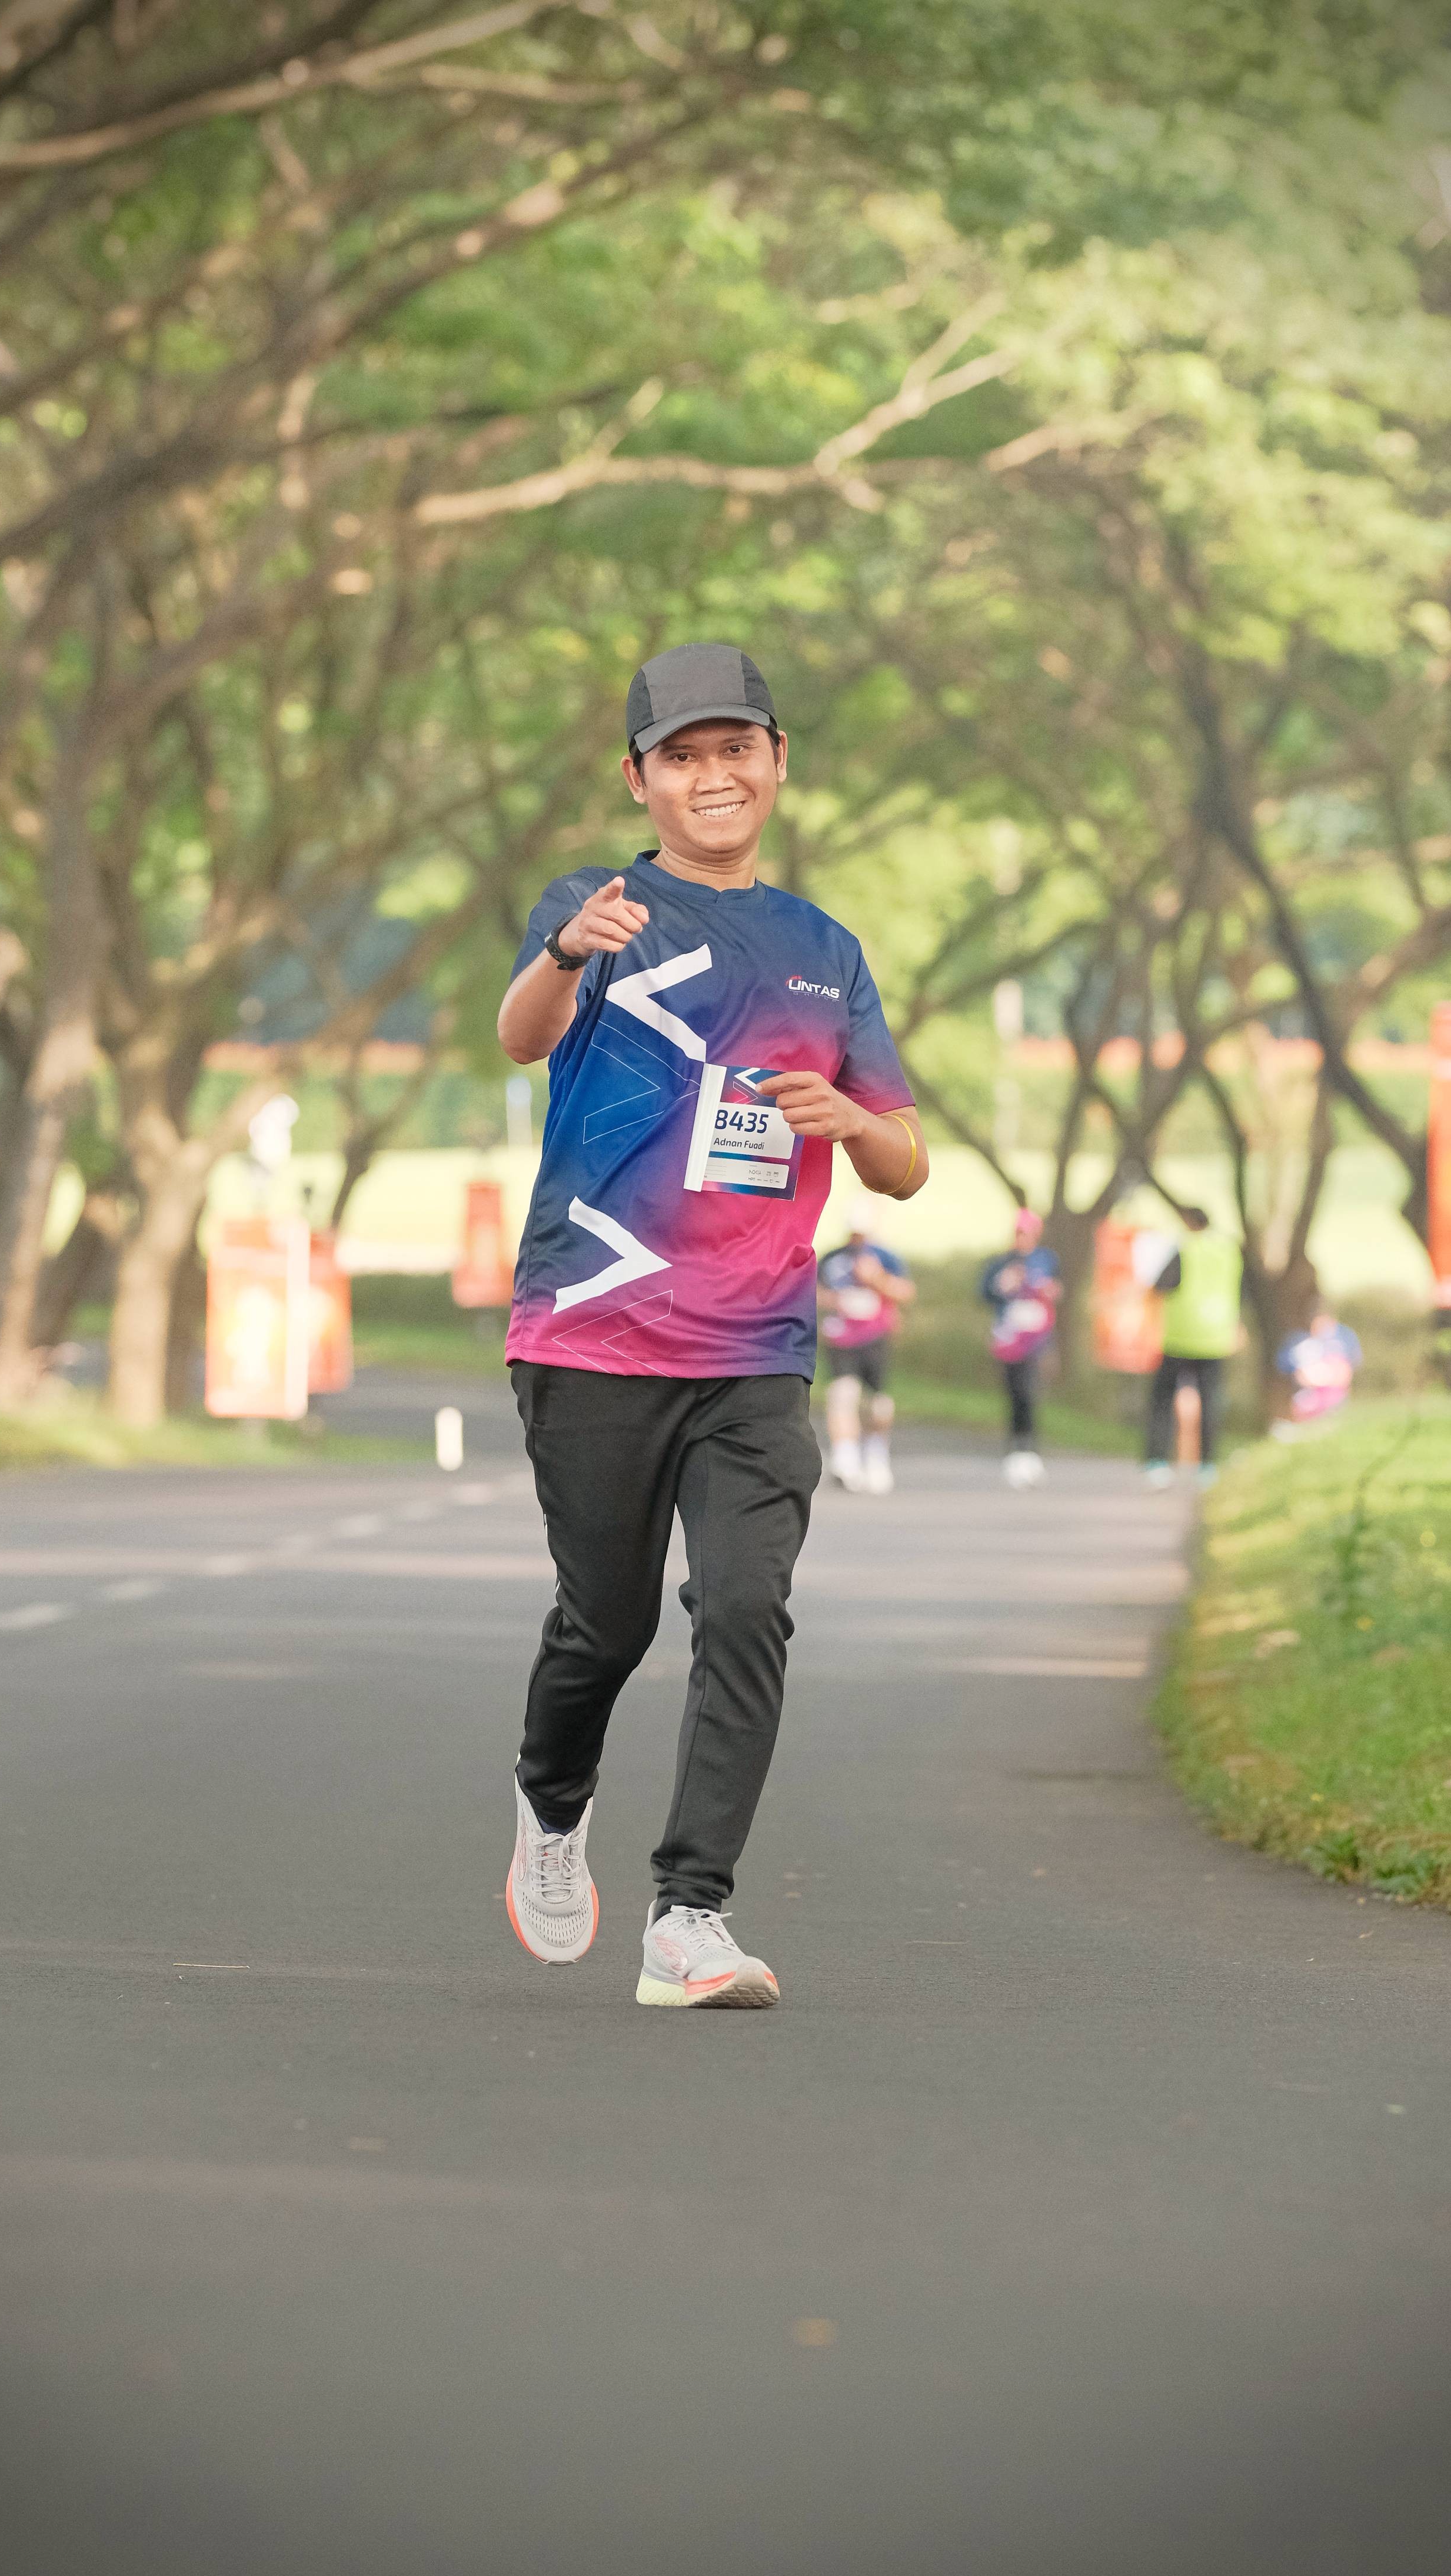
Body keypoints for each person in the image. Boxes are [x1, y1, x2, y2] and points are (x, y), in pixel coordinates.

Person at [495, 641, 927, 2010]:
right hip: (591, 1334)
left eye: (734, 747)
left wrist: (851, 1119)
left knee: (745, 1604)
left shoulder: (824, 952)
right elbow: (520, 1035)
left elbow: (904, 1160)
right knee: (605, 1622)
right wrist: (563, 952)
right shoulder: (600, 905)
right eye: (679, 756)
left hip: (753, 1350)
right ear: (640, 778)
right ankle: (550, 1799)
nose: (712, 775)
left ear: (777, 760)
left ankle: (689, 1914)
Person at [817, 1199, 915, 1494]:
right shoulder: (832, 1258)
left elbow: (905, 1293)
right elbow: (814, 1291)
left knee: (878, 1404)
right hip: (842, 1337)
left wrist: (876, 1279)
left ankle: (875, 1454)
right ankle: (845, 1459)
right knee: (842, 1394)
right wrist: (835, 1300)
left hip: (876, 1337)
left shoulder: (886, 1257)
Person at [1142, 1205, 1243, 1487]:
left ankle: (1157, 1462)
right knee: (1211, 1402)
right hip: (1217, 1337)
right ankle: (1207, 1465)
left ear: (1189, 1222)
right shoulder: (1230, 1251)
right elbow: (1239, 1290)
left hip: (1181, 1336)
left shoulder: (1186, 1249)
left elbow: (1161, 1286)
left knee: (1163, 1399)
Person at [979, 1208, 1061, 1487]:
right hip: (1009, 1340)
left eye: (1026, 1233)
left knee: (1031, 1393)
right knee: (1015, 1394)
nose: (1021, 1238)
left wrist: (1048, 1290)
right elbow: (985, 1293)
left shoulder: (1046, 1260)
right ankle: (1016, 1451)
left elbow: (1057, 1291)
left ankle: (1030, 1451)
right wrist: (1003, 1285)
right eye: (1018, 1233)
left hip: (1037, 1340)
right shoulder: (1002, 1263)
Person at [1275, 1309, 1362, 1427]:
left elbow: (1348, 1370)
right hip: (1308, 1394)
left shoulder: (1344, 1340)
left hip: (1334, 1395)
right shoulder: (1301, 1344)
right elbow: (1287, 1367)